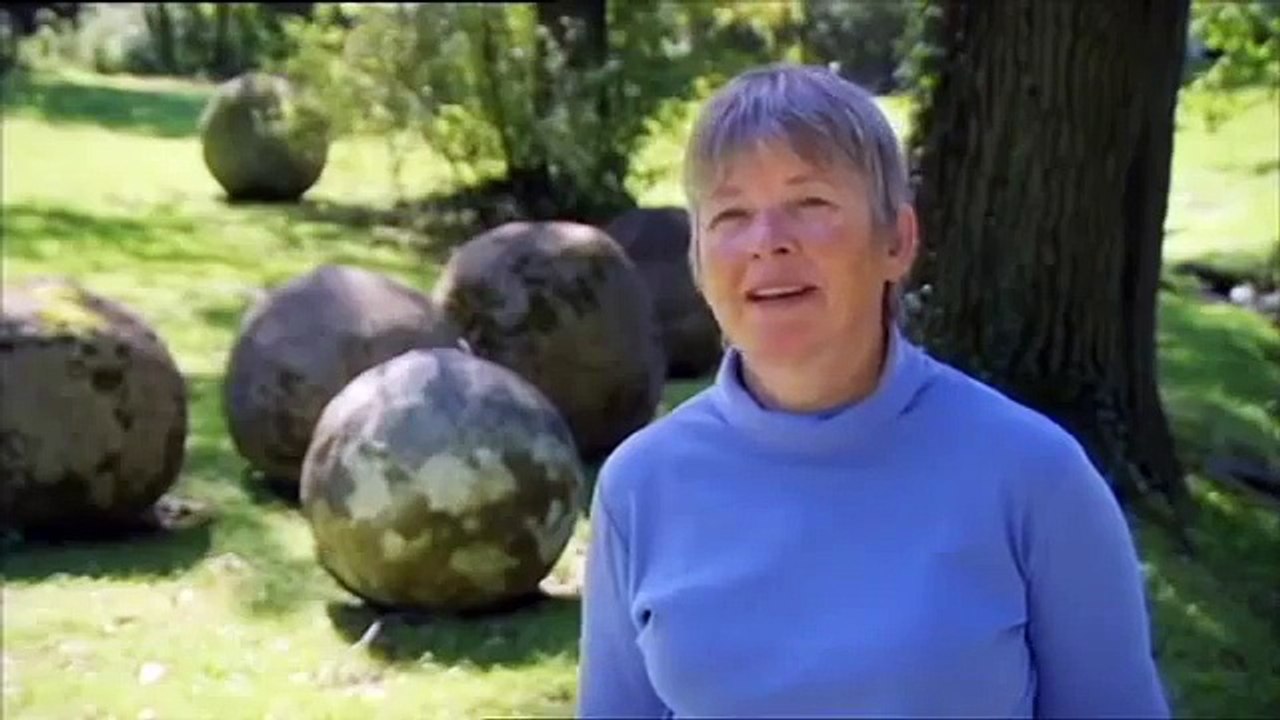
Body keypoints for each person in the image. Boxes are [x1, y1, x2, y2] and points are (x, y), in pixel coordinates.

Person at [575, 63, 1171, 718]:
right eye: (732, 214)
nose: (768, 244)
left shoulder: (1034, 477)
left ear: (897, 240)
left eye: (810, 204)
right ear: (697, 258)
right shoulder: (640, 487)